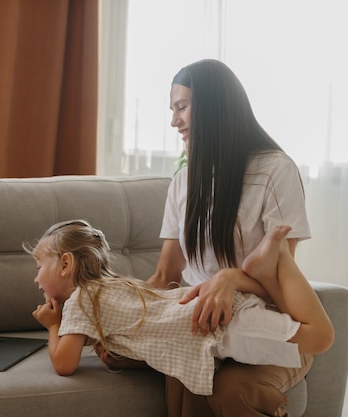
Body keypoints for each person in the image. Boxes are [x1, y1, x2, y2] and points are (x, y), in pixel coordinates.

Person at [137, 58, 327, 416]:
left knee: (230, 389)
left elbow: (281, 278)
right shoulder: (183, 182)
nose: (174, 121)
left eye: (182, 107)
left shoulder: (274, 171)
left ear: (212, 107)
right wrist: (123, 309)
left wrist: (232, 279)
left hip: (267, 321)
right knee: (192, 376)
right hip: (201, 327)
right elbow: (165, 277)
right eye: (172, 109)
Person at [28, 220, 333, 399]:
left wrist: (53, 324)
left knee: (320, 337)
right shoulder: (112, 287)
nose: (36, 277)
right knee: (306, 328)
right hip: (210, 309)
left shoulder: (80, 301)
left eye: (40, 266)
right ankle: (266, 271)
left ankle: (278, 260)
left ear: (66, 263)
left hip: (216, 325)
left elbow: (64, 363)